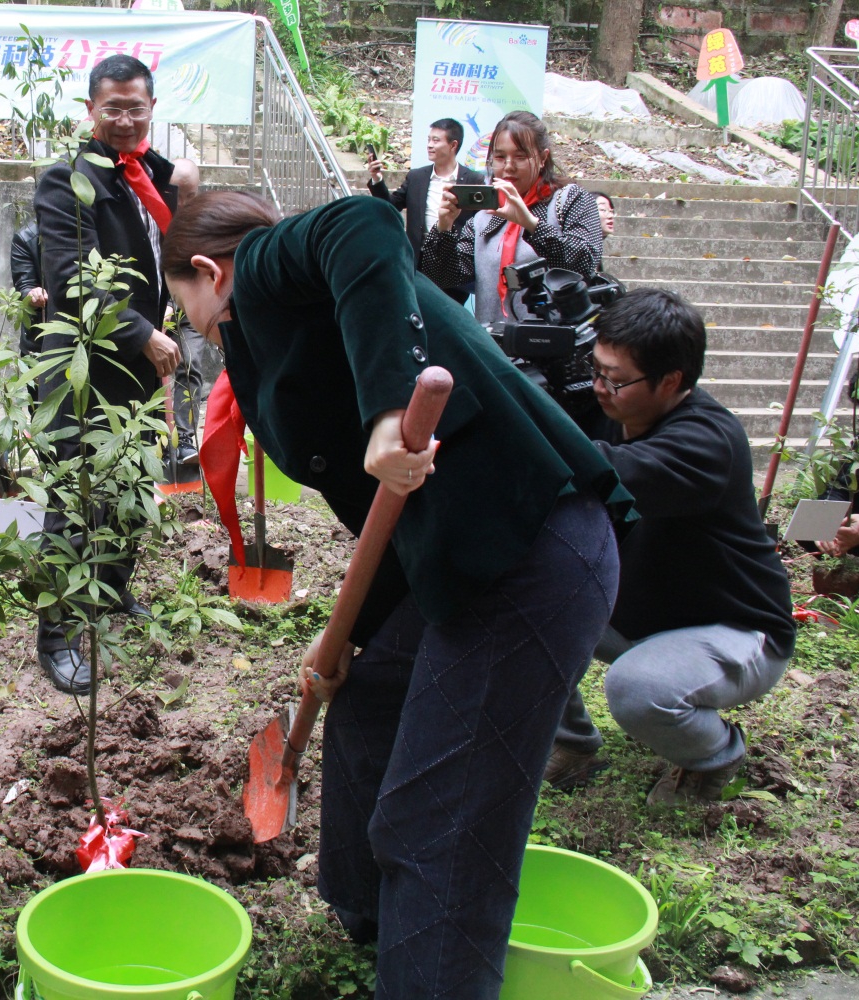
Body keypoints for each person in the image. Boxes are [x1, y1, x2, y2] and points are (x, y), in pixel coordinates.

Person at [162, 190, 631, 1000]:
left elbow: (362, 222)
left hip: (530, 555)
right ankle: (374, 918)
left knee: (439, 823)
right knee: (369, 697)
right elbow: (392, 520)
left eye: (186, 307)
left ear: (208, 270)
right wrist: (345, 636)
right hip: (459, 558)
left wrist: (388, 409)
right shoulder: (283, 325)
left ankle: (430, 972)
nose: (195, 325)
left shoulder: (267, 269)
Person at [547, 289, 794, 803]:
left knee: (637, 689)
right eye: (595, 370)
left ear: (671, 380)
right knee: (524, 601)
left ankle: (716, 756)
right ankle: (573, 745)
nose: (599, 387)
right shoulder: (610, 408)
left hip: (736, 631)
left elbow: (598, 469)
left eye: (615, 379)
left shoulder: (707, 441)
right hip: (641, 619)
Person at [33, 53, 182, 694]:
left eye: (135, 107)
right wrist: (144, 333)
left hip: (140, 373)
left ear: (152, 109)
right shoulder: (67, 181)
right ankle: (57, 635)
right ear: (91, 109)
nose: (124, 119)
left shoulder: (157, 177)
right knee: (73, 499)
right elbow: (71, 278)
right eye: (112, 108)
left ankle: (113, 588)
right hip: (84, 368)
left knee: (132, 485)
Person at [419, 110, 604, 326]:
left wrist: (531, 224)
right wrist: (444, 228)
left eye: (520, 157)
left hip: (558, 342)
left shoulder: (569, 199)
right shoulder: (483, 218)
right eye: (499, 157)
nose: (508, 166)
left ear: (543, 158)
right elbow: (443, 278)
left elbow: (585, 265)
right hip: (495, 343)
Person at [365, 117, 484, 304]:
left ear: (453, 145)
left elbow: (481, 222)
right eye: (429, 139)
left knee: (449, 315)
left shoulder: (473, 180)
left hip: (452, 264)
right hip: (417, 263)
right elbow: (390, 206)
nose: (429, 145)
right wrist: (377, 179)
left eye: (436, 140)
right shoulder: (417, 177)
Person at [166, 157, 207, 464]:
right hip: (153, 312)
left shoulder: (204, 225)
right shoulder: (150, 216)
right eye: (177, 195)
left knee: (191, 365)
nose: (182, 204)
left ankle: (186, 440)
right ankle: (154, 440)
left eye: (190, 196)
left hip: (189, 311)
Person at [10, 220, 46, 354]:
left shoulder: (91, 229)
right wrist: (32, 294)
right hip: (40, 343)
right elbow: (24, 285)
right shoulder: (26, 237)